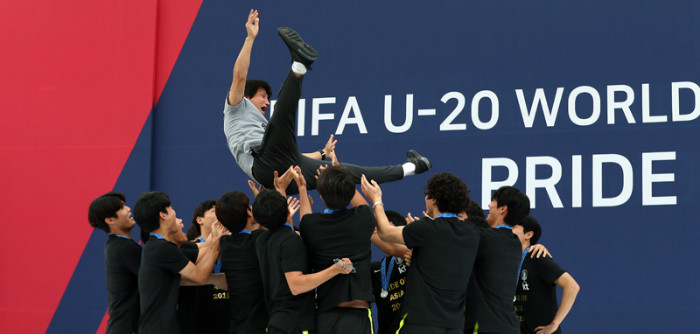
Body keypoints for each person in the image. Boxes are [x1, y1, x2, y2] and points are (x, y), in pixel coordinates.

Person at [223, 10, 431, 195]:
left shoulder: (265, 131)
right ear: (247, 98)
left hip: (284, 169)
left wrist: (322, 154)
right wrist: (250, 38)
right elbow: (240, 76)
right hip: (265, 166)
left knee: (345, 172)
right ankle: (299, 64)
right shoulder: (235, 108)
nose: (267, 102)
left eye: (268, 97)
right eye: (262, 96)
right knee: (282, 117)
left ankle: (413, 167)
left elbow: (289, 153)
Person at [361, 172, 480, 334]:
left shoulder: (426, 229)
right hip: (454, 326)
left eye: (427, 195)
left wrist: (377, 201)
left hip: (421, 323)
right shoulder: (471, 233)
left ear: (434, 199)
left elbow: (384, 233)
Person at [253, 188, 353, 334]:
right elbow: (296, 286)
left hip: (276, 322)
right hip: (296, 324)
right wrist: (335, 269)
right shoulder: (290, 240)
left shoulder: (261, 240)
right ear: (287, 210)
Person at [297, 166, 376, 333]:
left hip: (326, 316)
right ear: (349, 190)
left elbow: (304, 219)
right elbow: (364, 206)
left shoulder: (311, 226)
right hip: (357, 315)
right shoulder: (364, 218)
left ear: (321, 195)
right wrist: (342, 178)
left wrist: (302, 188)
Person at [133, 191, 223, 333]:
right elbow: (199, 277)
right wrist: (215, 249)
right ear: (163, 215)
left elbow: (199, 255)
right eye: (171, 209)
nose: (175, 214)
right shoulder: (162, 248)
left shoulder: (157, 246)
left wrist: (214, 239)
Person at [464, 186, 531, 334]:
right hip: (509, 326)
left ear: (503, 209)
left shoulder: (486, 239)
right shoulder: (513, 242)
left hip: (485, 326)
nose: (489, 205)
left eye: (493, 201)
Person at [513, 216, 580, 334]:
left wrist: (555, 324)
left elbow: (572, 286)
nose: (508, 229)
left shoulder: (537, 257)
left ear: (528, 235)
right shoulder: (507, 261)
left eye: (514, 226)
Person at [88, 191, 141, 334]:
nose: (129, 209)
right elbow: (158, 277)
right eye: (122, 207)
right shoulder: (125, 248)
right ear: (110, 220)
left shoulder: (116, 246)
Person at [216, 190, 269, 334]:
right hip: (260, 325)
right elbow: (271, 225)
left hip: (236, 325)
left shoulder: (224, 243)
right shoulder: (259, 239)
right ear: (249, 212)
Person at [177, 200, 230, 334]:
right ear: (200, 220)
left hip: (228, 322)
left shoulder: (231, 246)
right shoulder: (187, 249)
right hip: (196, 323)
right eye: (214, 211)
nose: (220, 213)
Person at [370, 210, 411, 334]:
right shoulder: (375, 269)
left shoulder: (412, 257)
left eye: (378, 227)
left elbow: (392, 248)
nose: (375, 232)